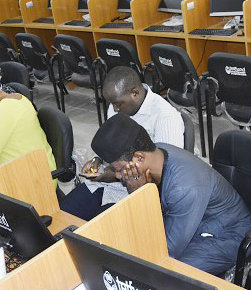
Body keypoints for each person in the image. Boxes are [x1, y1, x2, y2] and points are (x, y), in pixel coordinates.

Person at [90, 114, 251, 274]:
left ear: (139, 158)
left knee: (161, 272)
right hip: (190, 221)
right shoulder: (157, 151)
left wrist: (139, 195)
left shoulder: (184, 187)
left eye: (119, 169)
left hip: (227, 236)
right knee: (121, 235)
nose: (119, 176)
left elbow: (167, 252)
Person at [60, 67, 185, 220]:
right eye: (112, 104)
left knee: (98, 229)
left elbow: (165, 175)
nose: (114, 109)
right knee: (63, 215)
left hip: (137, 191)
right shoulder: (117, 104)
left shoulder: (165, 117)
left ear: (135, 93)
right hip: (107, 181)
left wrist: (115, 176)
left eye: (118, 104)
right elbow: (110, 143)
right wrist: (98, 159)